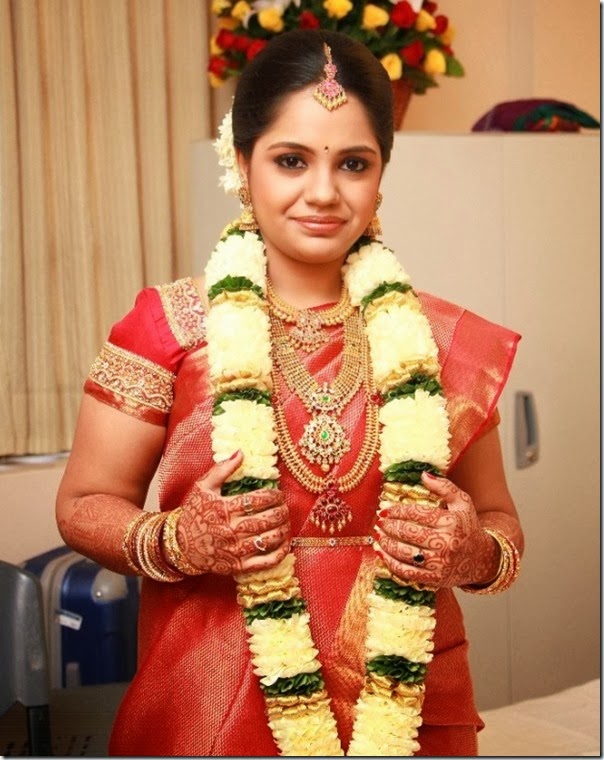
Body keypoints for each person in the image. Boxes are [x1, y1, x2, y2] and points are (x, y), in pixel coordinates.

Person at [56, 29, 524, 757]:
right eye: (290, 160)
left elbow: (498, 519)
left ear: (380, 175)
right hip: (219, 688)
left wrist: (476, 555)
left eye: (354, 164)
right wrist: (177, 538)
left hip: (403, 692)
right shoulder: (168, 326)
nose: (323, 192)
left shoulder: (434, 339)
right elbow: (83, 504)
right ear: (242, 164)